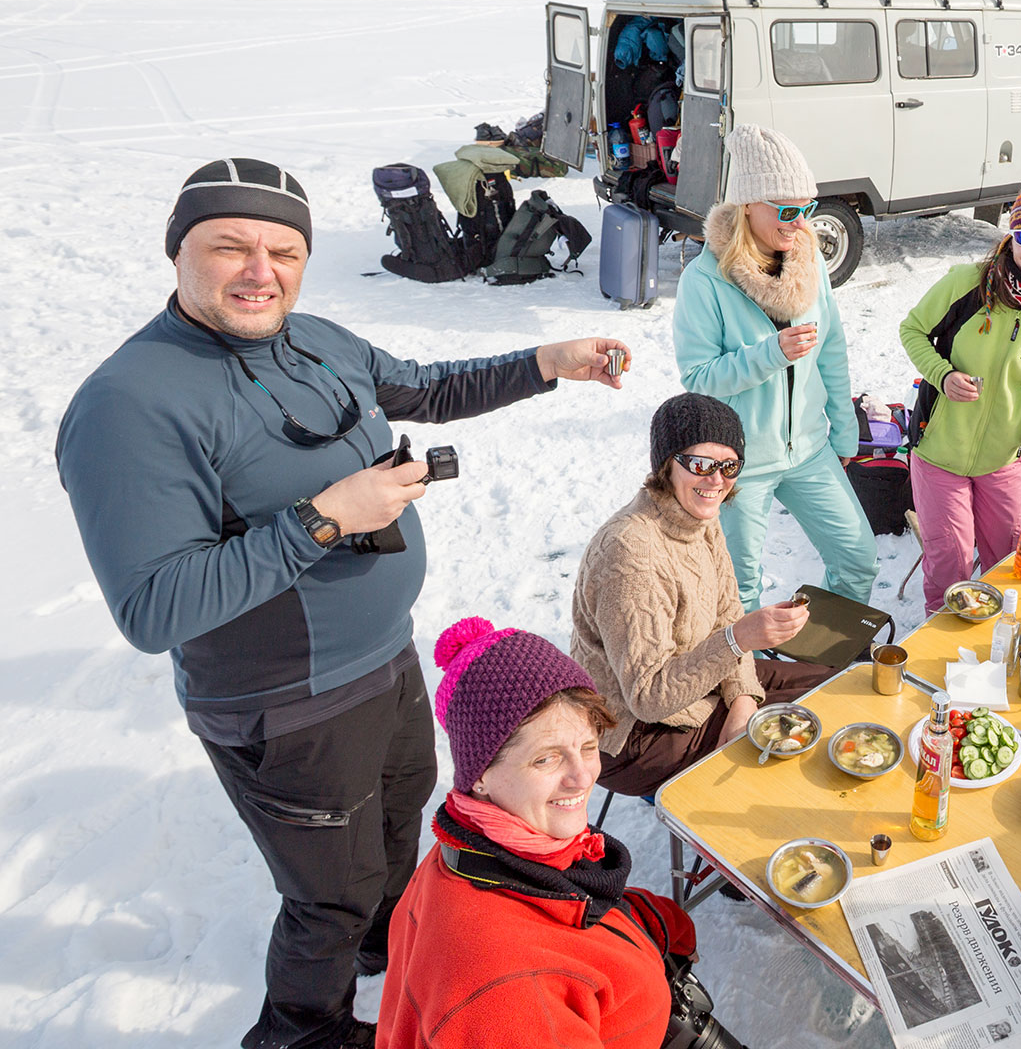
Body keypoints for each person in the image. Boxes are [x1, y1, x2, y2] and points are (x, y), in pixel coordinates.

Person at [54, 158, 628, 1049]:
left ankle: (385, 950)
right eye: (229, 247)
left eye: (283, 249)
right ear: (178, 254)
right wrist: (322, 521)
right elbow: (154, 608)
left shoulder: (315, 338)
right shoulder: (131, 404)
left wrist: (546, 362)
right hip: (285, 708)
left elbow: (427, 386)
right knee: (329, 896)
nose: (259, 270)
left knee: (404, 829)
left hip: (388, 662)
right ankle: (302, 1030)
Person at [377, 616, 714, 1048]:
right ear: (480, 775)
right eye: (546, 759)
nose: (582, 777)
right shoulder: (505, 995)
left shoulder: (478, 845)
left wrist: (658, 926)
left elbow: (565, 916)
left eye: (588, 747)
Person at [572, 392, 834, 798]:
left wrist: (743, 699)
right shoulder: (630, 551)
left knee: (834, 690)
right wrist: (740, 641)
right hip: (630, 734)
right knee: (791, 753)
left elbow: (728, 612)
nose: (716, 481)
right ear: (666, 465)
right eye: (700, 464)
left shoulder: (698, 516)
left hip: (701, 677)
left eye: (729, 466)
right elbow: (648, 696)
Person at [673, 124, 877, 610]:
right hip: (739, 464)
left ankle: (822, 657)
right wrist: (771, 354)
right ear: (748, 204)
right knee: (739, 588)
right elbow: (698, 379)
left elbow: (832, 349)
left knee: (859, 559)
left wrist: (845, 431)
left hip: (809, 450)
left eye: (807, 209)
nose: (801, 224)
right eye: (787, 210)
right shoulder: (704, 280)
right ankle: (751, 677)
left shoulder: (809, 262)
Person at [900, 173, 1021, 616]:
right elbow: (912, 330)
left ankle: (989, 652)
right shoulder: (969, 283)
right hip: (939, 452)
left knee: (1008, 560)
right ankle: (938, 653)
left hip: (1003, 461)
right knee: (950, 566)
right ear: (1010, 234)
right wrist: (941, 375)